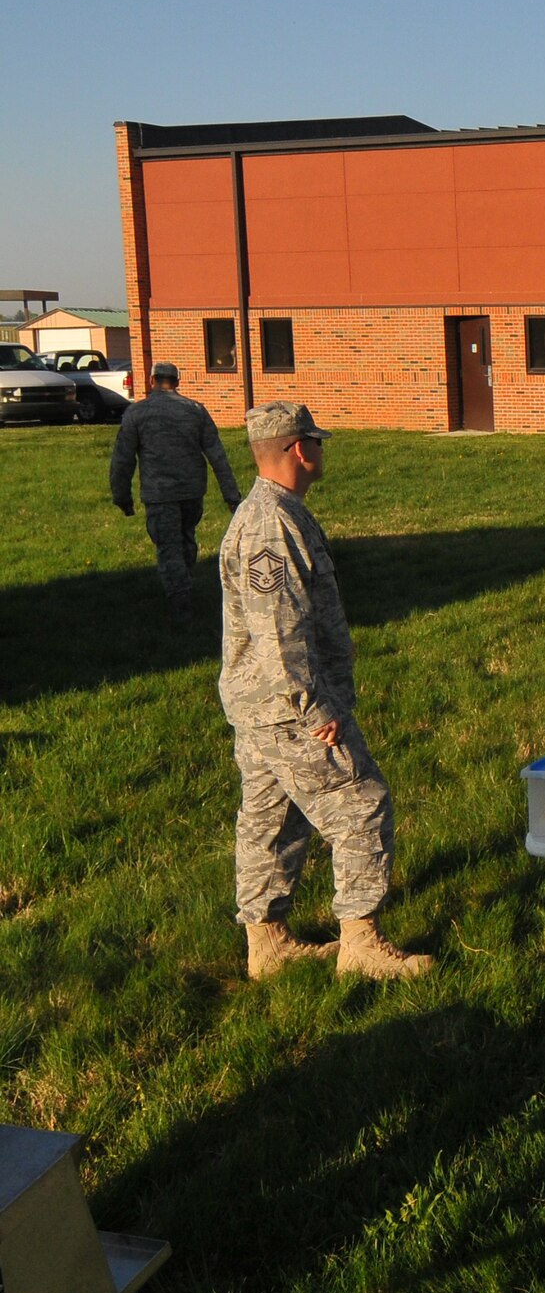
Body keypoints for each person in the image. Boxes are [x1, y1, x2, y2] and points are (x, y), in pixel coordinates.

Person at [218, 401, 430, 980]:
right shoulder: (270, 524)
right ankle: (361, 946)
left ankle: (267, 945)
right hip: (288, 707)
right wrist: (314, 708)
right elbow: (277, 627)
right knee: (362, 805)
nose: (322, 451)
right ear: (299, 450)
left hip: (262, 707)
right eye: (317, 442)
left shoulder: (276, 512)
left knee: (271, 819)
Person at [109, 360, 243, 619]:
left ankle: (180, 602)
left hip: (160, 494)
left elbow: (122, 459)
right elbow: (217, 456)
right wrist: (231, 496)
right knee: (186, 537)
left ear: (151, 381)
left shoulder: (137, 414)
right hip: (192, 491)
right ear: (177, 382)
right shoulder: (195, 410)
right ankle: (185, 583)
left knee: (169, 546)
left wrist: (121, 496)